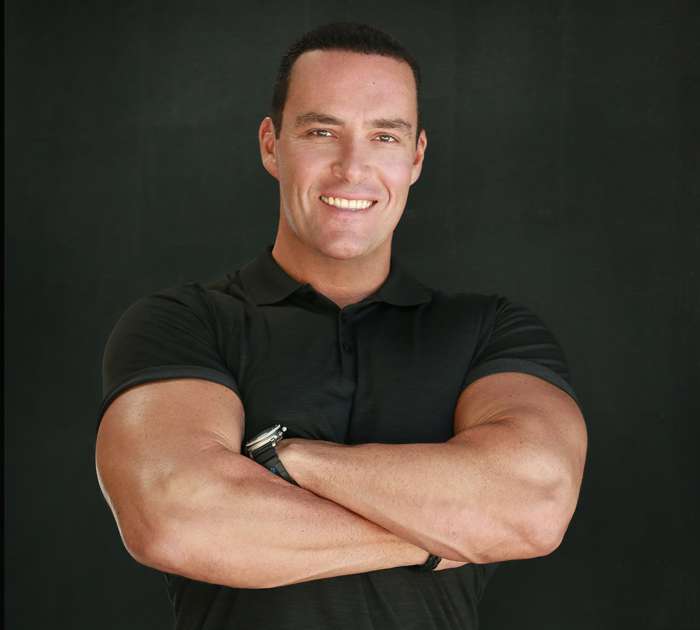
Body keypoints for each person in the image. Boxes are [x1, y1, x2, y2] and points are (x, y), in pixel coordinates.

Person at [95, 22, 587, 630]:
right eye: (322, 132)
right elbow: (174, 520)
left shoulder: (491, 332)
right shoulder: (182, 323)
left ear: (415, 158)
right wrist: (444, 535)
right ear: (272, 145)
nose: (353, 169)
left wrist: (288, 459)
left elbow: (535, 506)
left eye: (384, 136)